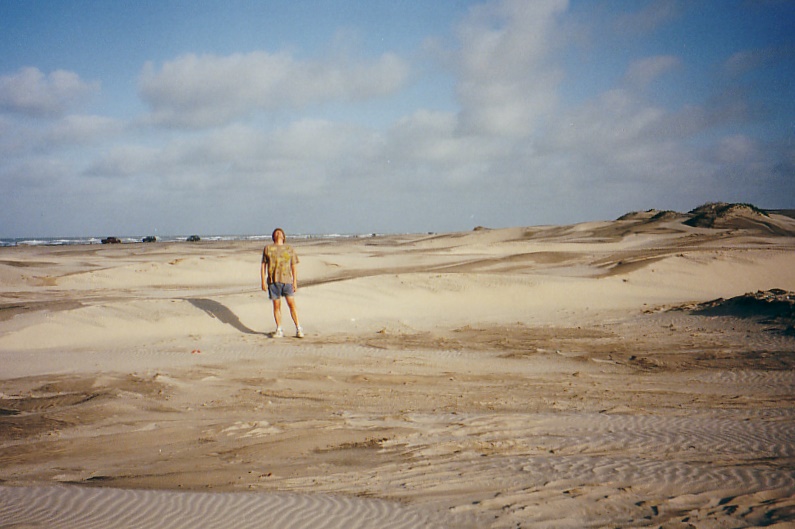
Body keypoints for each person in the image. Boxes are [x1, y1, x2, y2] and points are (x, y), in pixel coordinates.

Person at [261, 228, 304, 338]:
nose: (278, 233)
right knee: (276, 306)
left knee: (292, 305)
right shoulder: (268, 248)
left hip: (287, 281)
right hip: (273, 281)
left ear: (284, 236)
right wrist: (262, 281)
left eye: (280, 232)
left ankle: (298, 328)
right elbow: (263, 265)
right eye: (276, 232)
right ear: (273, 236)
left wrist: (295, 282)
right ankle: (279, 329)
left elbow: (293, 266)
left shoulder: (289, 248)